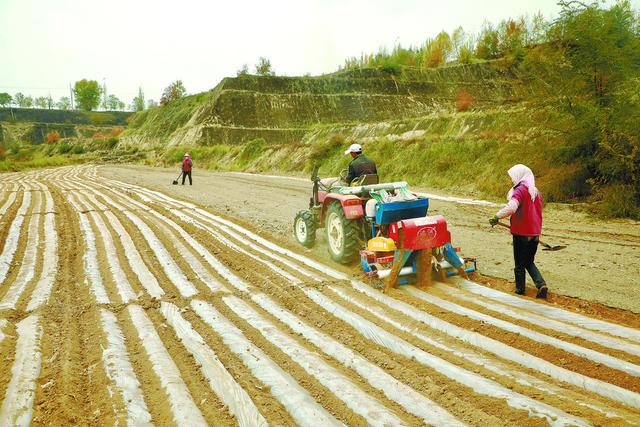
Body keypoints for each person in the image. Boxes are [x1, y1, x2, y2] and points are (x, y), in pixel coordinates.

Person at [489, 164, 547, 298]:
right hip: (535, 234)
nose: (511, 180)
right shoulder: (535, 191)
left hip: (521, 233)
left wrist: (496, 216)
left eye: (512, 177)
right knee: (529, 261)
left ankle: (520, 289)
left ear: (519, 176)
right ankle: (541, 284)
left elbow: (511, 207)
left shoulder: (520, 190)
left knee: (519, 263)